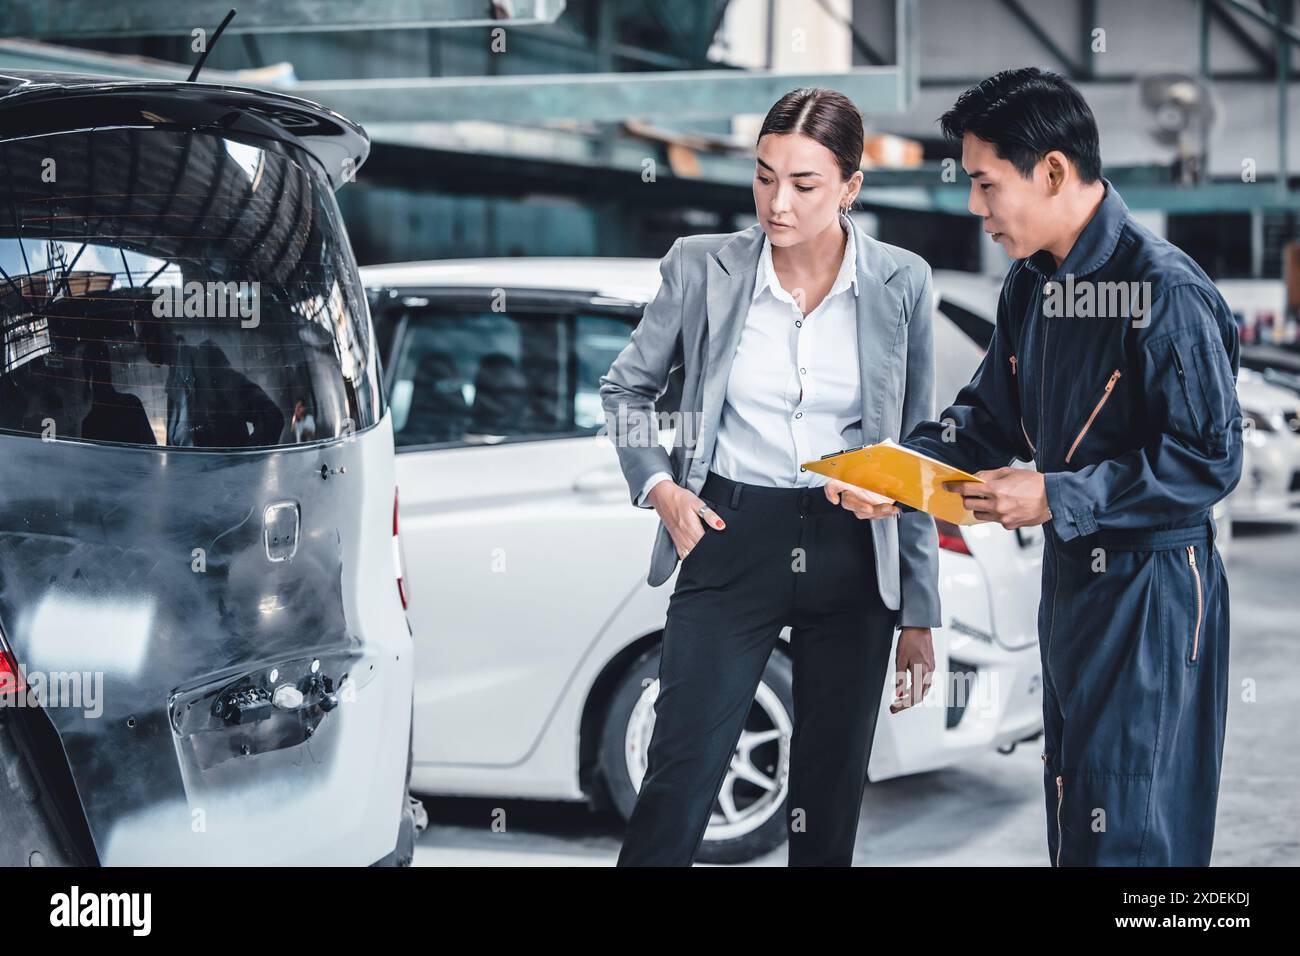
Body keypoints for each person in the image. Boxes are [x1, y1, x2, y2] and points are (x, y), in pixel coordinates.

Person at [900, 68, 1243, 866]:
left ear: (1052, 171)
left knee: (1131, 818)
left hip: (1153, 587)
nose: (975, 208)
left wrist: (1058, 494)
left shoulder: (1165, 291)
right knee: (1079, 795)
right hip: (1075, 582)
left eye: (986, 185)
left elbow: (1209, 460)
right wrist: (900, 473)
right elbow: (988, 419)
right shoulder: (1032, 285)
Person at [599, 87, 941, 867]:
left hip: (855, 547)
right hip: (727, 533)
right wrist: (662, 489)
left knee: (827, 800)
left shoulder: (903, 283)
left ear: (851, 188)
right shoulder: (701, 267)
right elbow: (624, 391)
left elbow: (914, 454)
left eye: (804, 183)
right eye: (763, 176)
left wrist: (918, 607)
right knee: (680, 776)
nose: (776, 202)